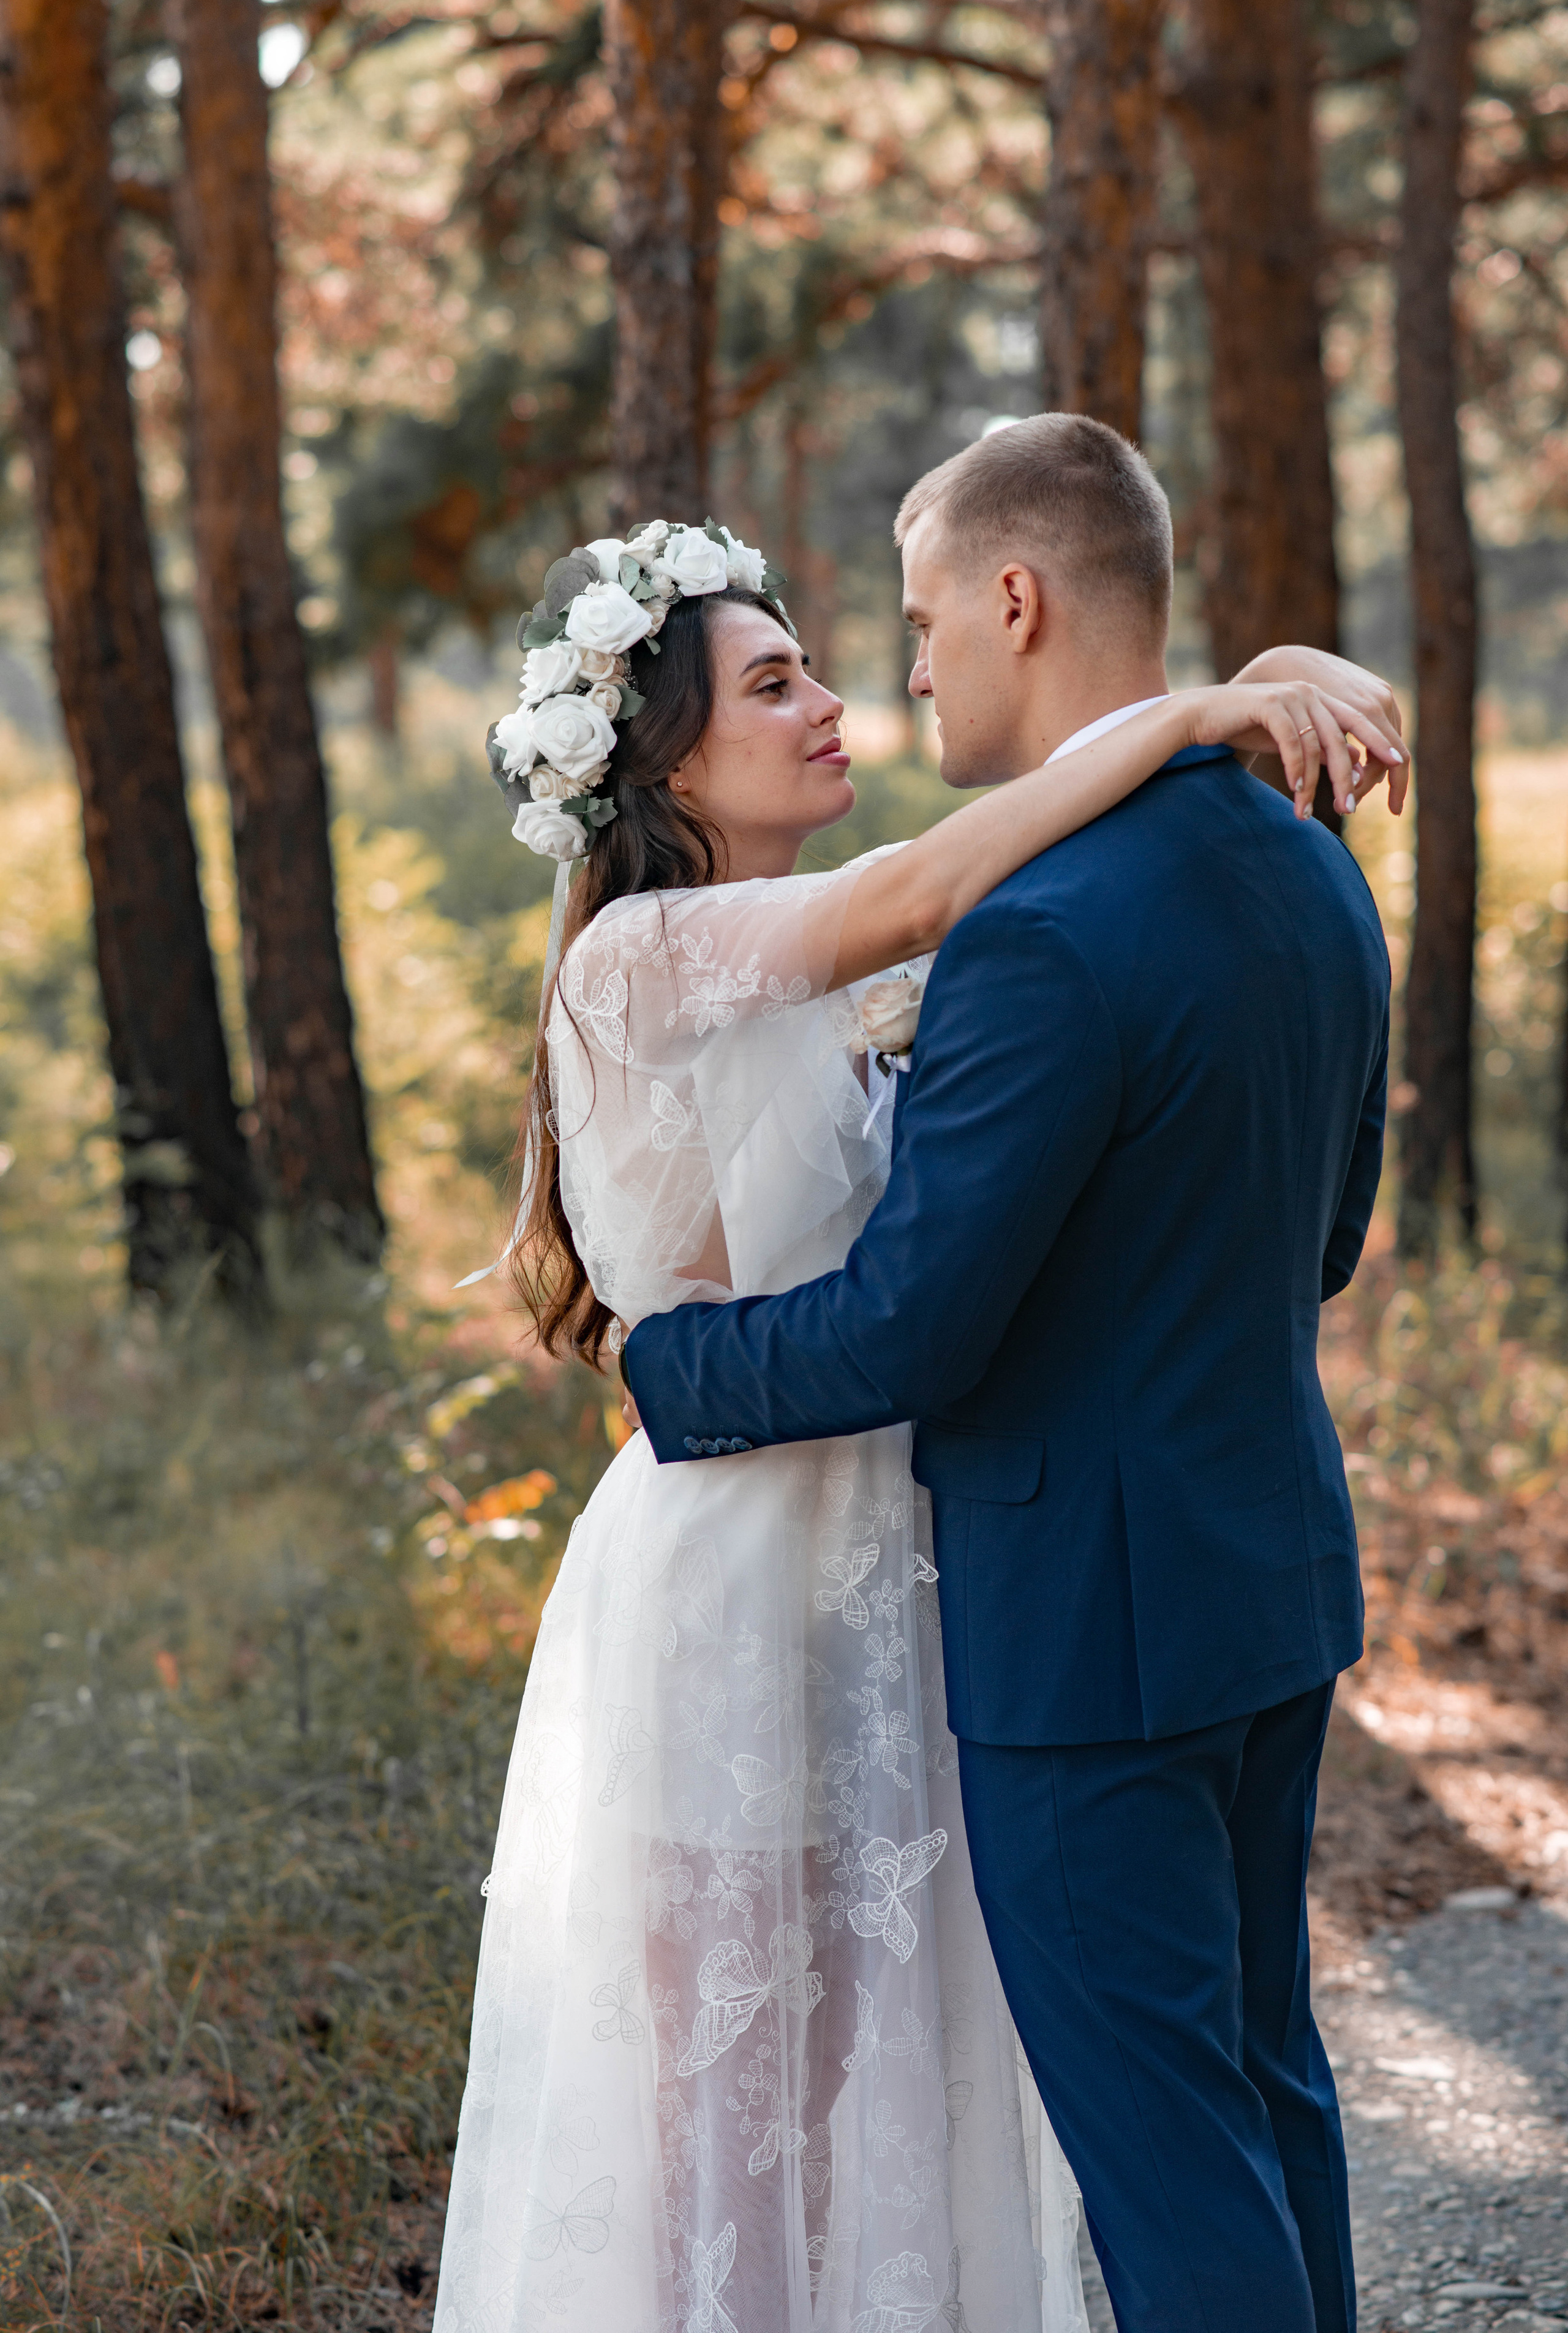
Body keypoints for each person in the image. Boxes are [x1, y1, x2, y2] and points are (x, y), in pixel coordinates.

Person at [434, 448, 1403, 2333]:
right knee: (750, 2117)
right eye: (781, 680)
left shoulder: (971, 937)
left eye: (881, 639)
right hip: (805, 1590)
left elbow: (916, 1308)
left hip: (996, 1601)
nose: (874, 687)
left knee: (1033, 2111)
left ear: (1017, 601)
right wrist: (1218, 704)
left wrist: (675, 1366)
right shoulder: (694, 951)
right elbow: (1315, 1239)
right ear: (662, 766)